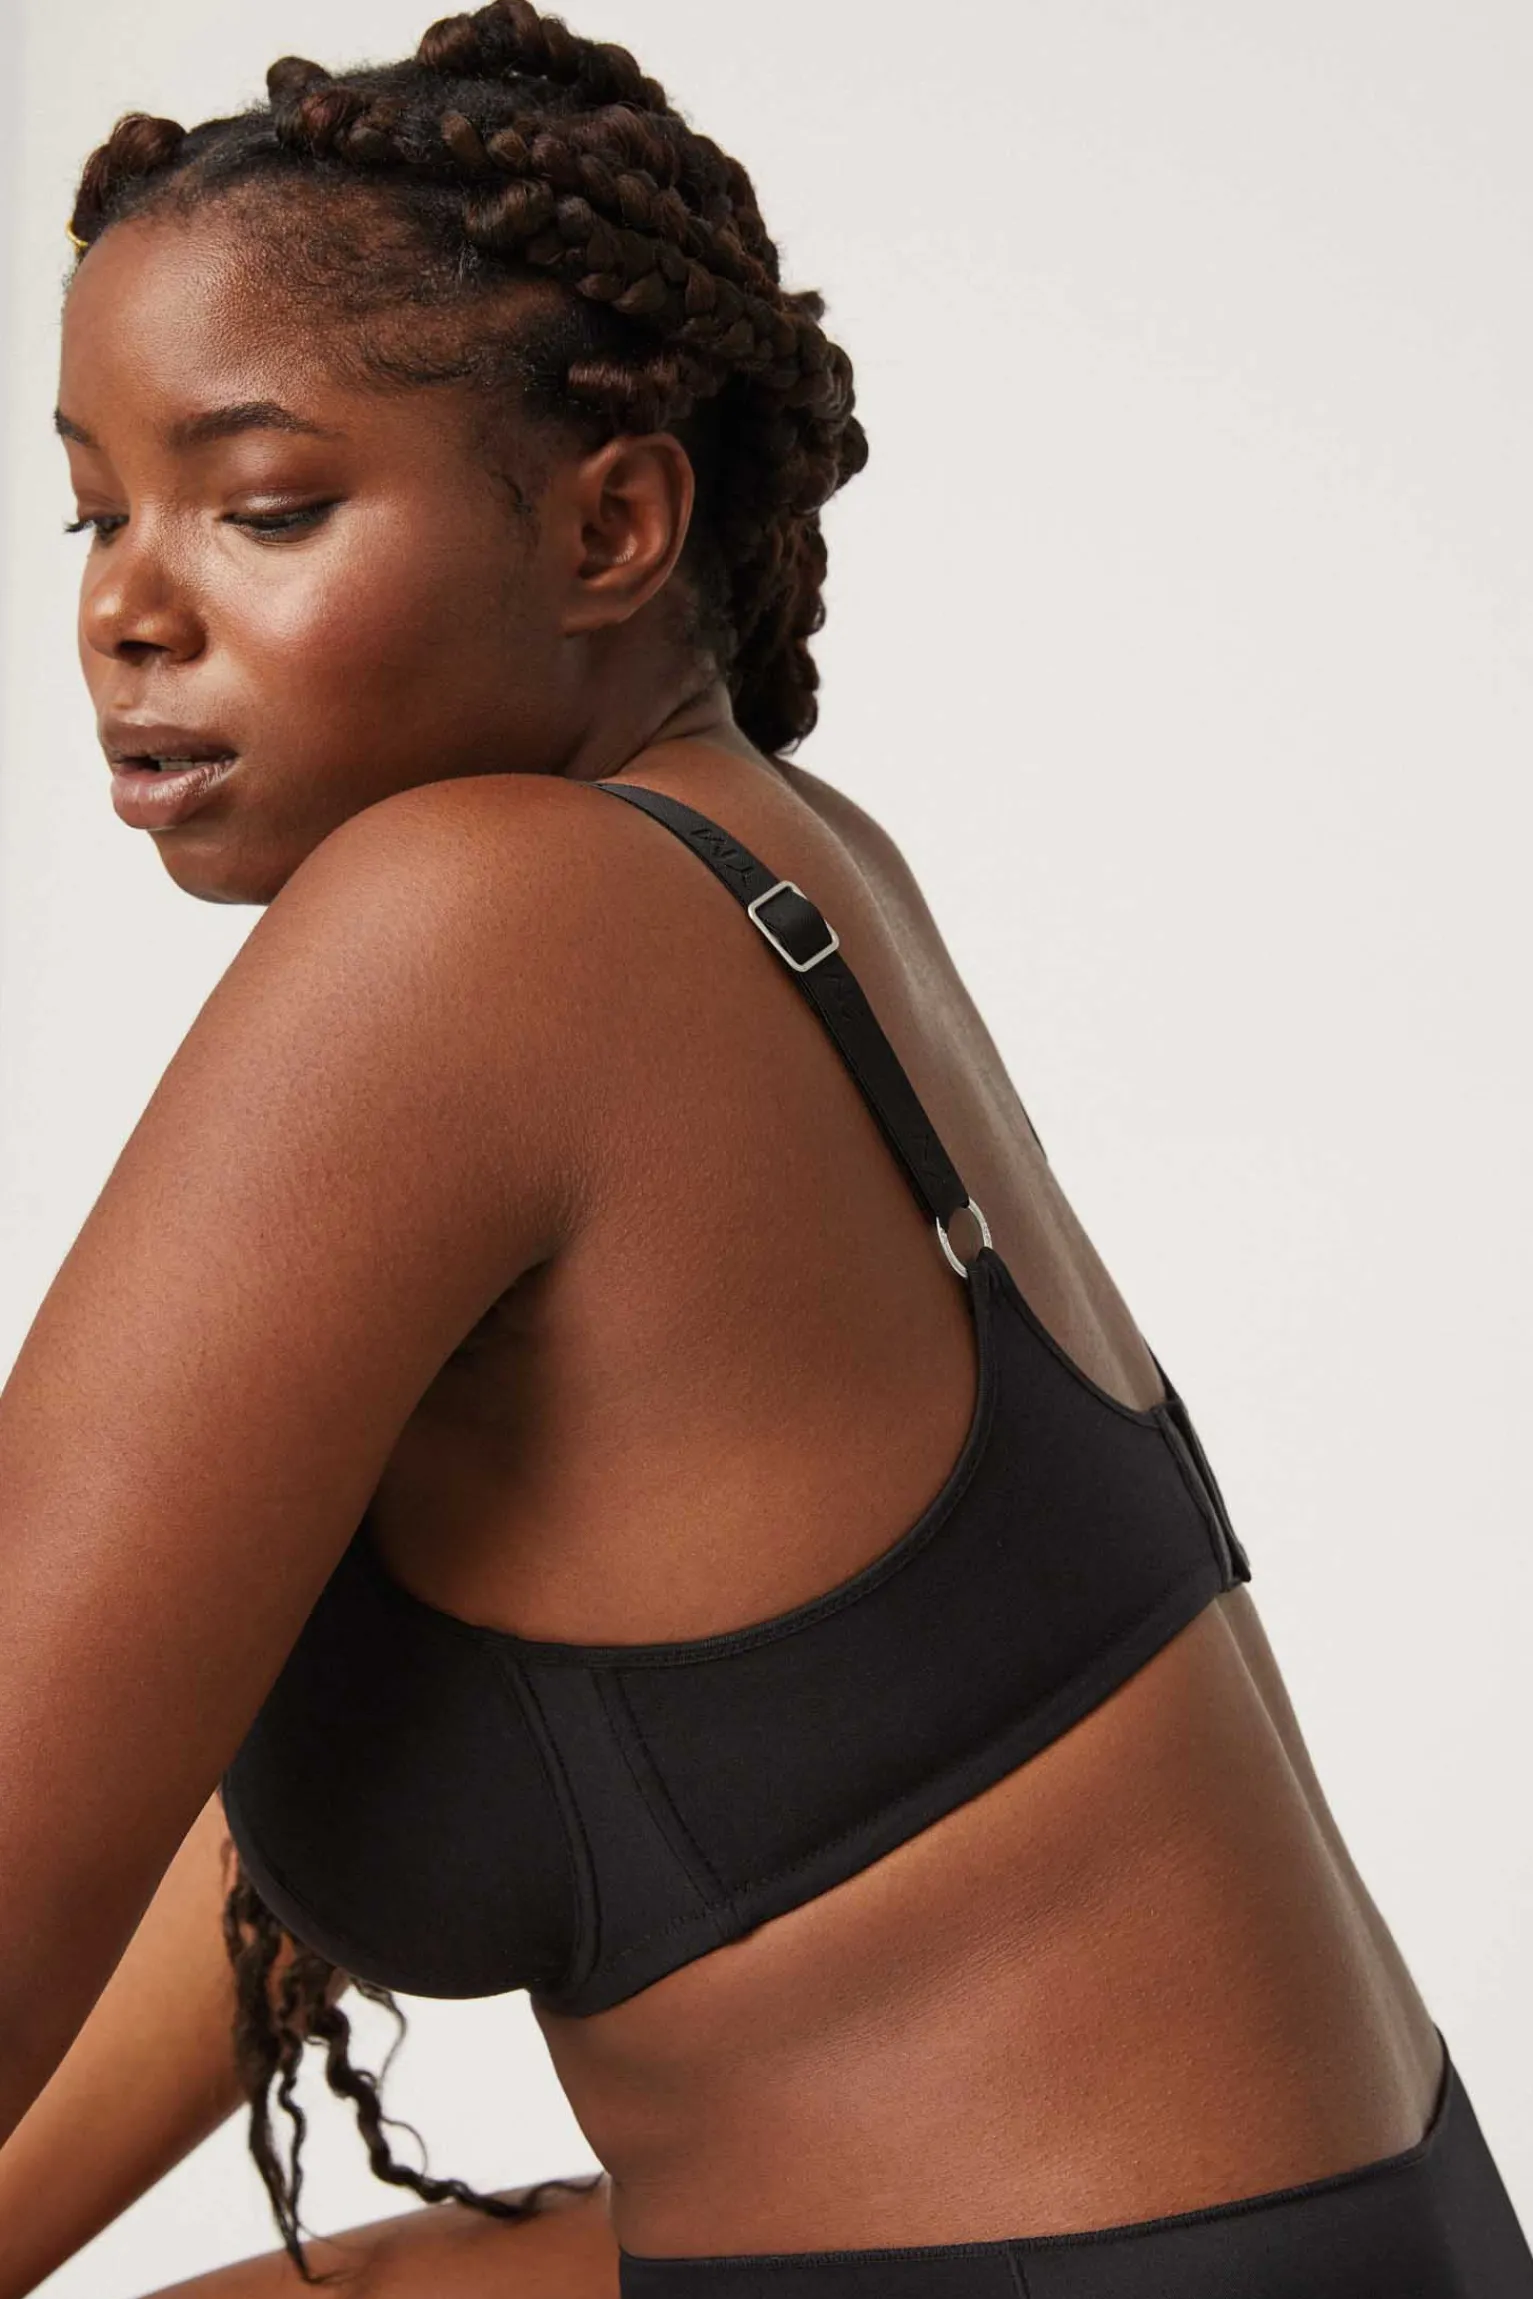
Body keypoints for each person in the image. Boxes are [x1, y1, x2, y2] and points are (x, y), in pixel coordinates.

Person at [0, 4, 1528, 2294]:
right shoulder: (777, 875)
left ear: (613, 522)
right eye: (94, 511)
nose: (126, 608)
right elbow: (223, 1786)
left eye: (265, 506)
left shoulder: (465, 926)